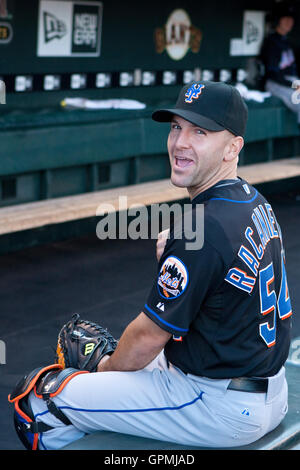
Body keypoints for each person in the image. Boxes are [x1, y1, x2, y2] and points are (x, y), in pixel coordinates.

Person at [27, 81, 292, 450]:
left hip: (217, 405)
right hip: (266, 388)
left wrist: (103, 367)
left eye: (200, 132)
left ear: (234, 147)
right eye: (176, 127)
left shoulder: (204, 229)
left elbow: (149, 338)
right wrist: (184, 246)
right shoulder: (253, 200)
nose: (181, 142)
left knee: (41, 400)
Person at [260, 2, 300, 121]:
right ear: (278, 20)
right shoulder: (271, 42)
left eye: (291, 19)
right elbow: (273, 75)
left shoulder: (288, 42)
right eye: (285, 18)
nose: (289, 22)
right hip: (275, 84)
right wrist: (295, 85)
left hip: (292, 82)